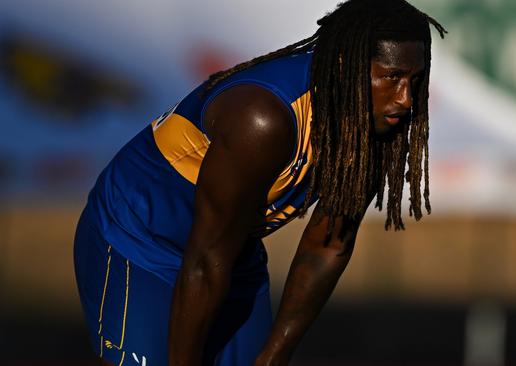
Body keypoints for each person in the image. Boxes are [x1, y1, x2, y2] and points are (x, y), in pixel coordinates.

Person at [73, 0, 447, 365]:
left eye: (414, 80)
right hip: (137, 242)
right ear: (344, 66)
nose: (405, 99)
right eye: (392, 77)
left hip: (228, 257)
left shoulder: (377, 123)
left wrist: (274, 354)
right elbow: (204, 259)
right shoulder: (263, 119)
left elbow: (326, 248)